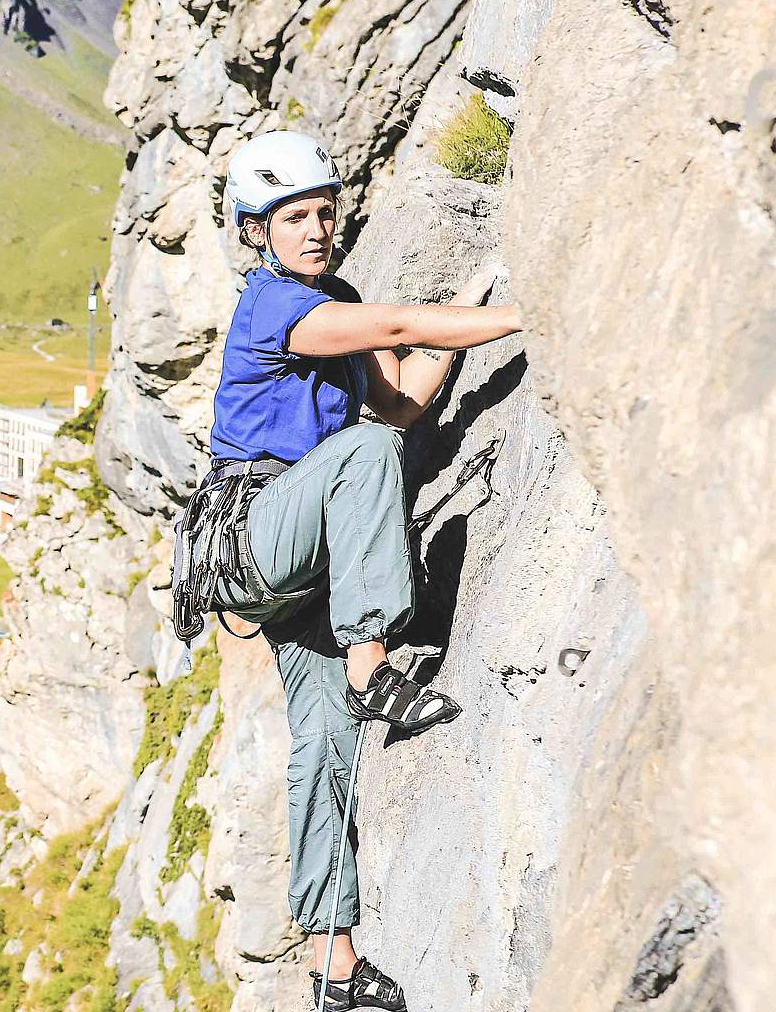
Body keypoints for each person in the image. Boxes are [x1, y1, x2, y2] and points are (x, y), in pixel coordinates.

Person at [203, 131, 521, 1011]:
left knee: (328, 745)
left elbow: (403, 396)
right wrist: (529, 315)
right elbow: (390, 333)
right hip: (255, 534)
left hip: (305, 563)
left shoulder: (331, 300)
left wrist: (464, 316)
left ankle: (336, 969)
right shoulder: (272, 306)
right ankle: (374, 662)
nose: (314, 229)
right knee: (365, 454)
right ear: (254, 230)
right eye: (292, 216)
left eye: (323, 212)